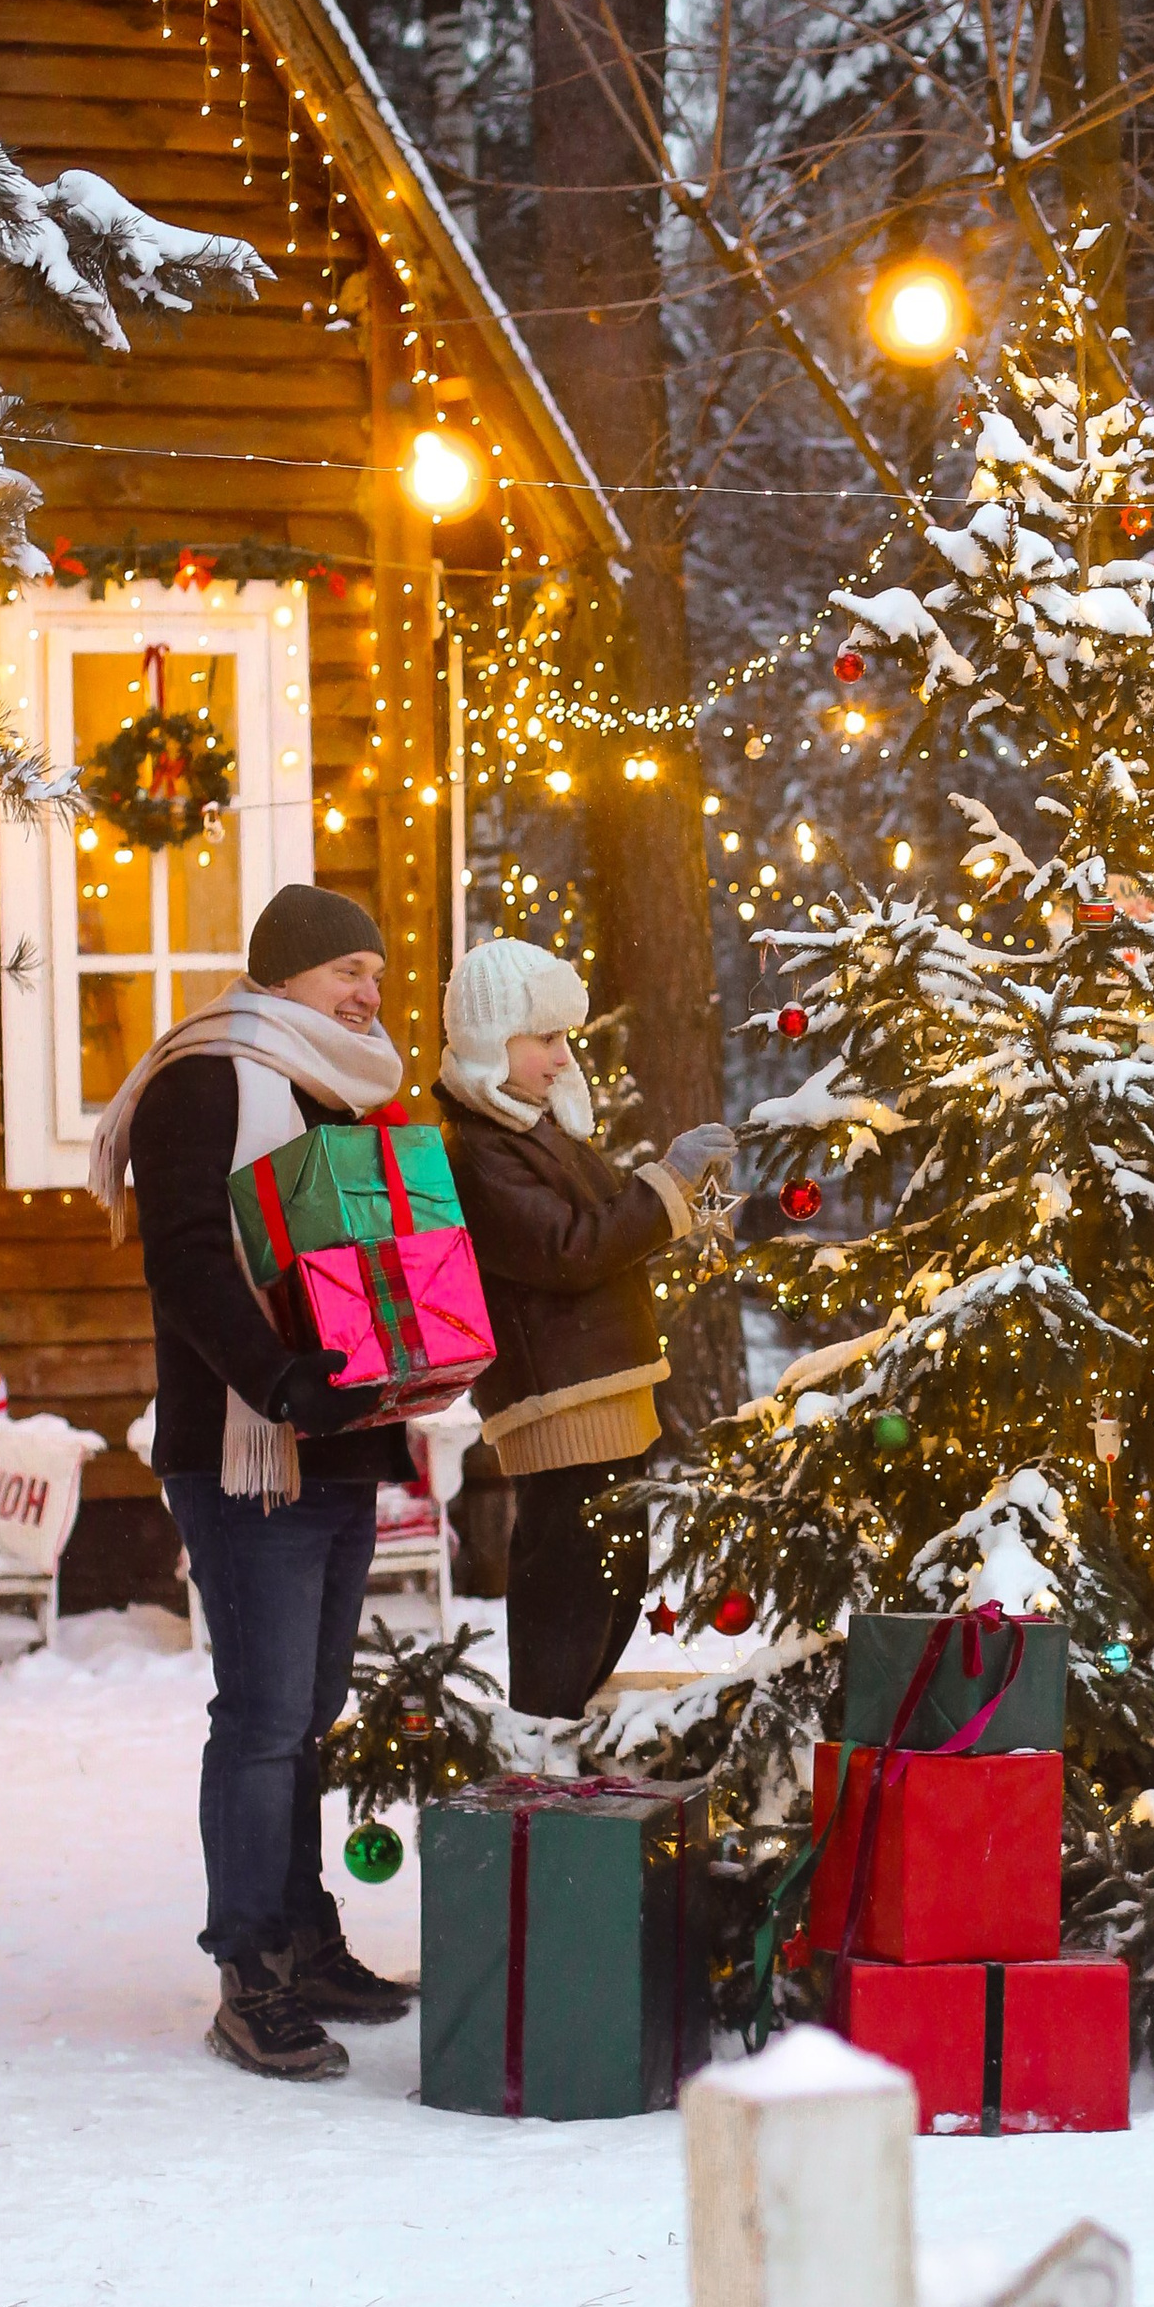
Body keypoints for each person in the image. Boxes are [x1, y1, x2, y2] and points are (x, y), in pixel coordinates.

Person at [89, 885, 419, 2085]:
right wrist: (278, 1382)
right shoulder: (204, 1082)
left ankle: (304, 1936)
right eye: (345, 970)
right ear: (281, 976)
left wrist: (407, 1365)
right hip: (248, 1446)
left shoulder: (339, 1089)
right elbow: (183, 1259)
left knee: (309, 1713)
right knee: (265, 1717)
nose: (367, 993)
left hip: (339, 1441)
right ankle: (249, 1977)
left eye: (375, 973)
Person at [437, 940, 734, 1718]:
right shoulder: (481, 1148)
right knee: (569, 1580)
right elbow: (572, 1249)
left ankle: (562, 1730)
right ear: (488, 1039)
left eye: (567, 1038)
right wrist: (666, 1182)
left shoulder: (536, 1130)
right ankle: (542, 1739)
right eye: (546, 1039)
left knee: (616, 1579)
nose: (564, 1057)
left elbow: (600, 1228)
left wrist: (681, 1198)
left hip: (603, 1394)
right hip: (559, 1405)